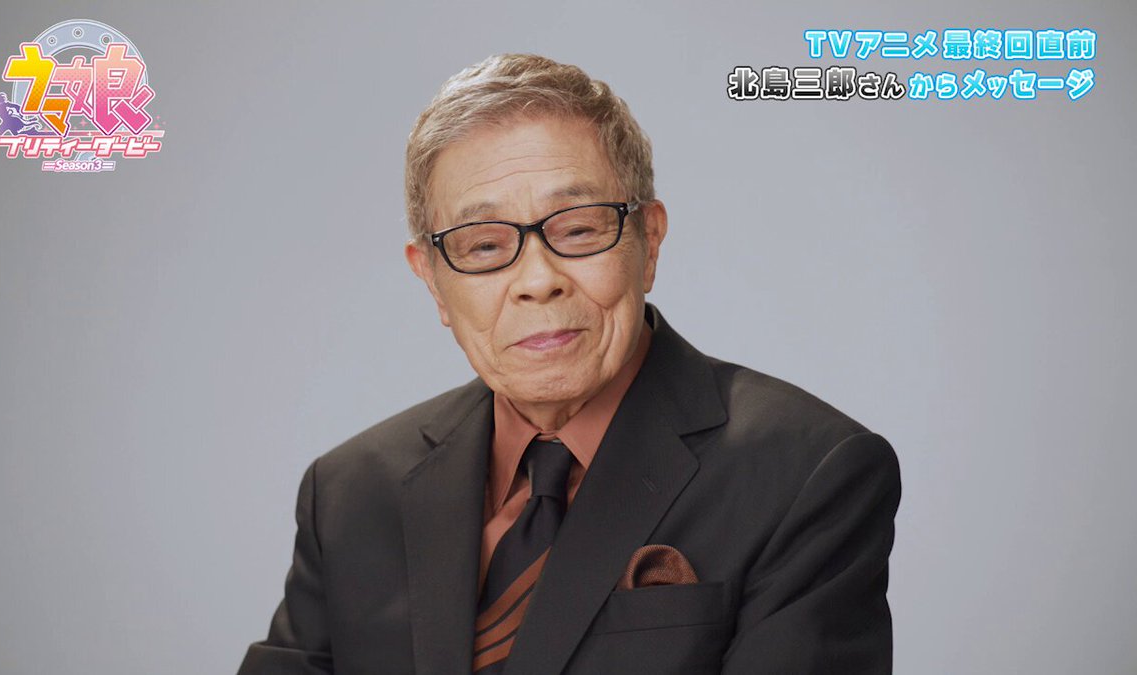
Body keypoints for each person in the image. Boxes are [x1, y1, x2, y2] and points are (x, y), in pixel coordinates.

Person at [238, 53, 901, 675]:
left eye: (578, 229)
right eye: (483, 244)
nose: (537, 281)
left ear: (649, 241)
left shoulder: (806, 471)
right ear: (433, 280)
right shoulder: (350, 492)